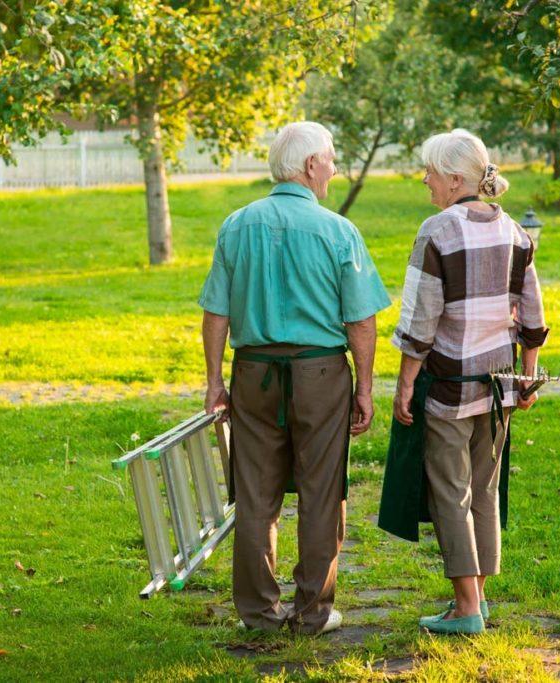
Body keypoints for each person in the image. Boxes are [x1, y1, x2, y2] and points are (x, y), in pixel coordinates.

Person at [199, 121, 391, 635]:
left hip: (253, 372)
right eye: (330, 158)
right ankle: (312, 614)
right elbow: (361, 321)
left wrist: (214, 381)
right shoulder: (338, 230)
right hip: (320, 373)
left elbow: (216, 312)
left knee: (255, 493)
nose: (333, 168)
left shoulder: (236, 224)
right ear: (311, 166)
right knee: (321, 490)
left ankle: (258, 615)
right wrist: (366, 389)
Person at [378, 128, 549, 635]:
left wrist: (405, 383)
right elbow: (533, 314)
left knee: (451, 492)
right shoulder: (515, 231)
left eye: (429, 171)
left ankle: (466, 608)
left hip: (450, 387)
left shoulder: (437, 230)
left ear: (455, 179)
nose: (424, 180)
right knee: (484, 489)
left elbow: (419, 320)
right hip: (498, 386)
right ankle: (480, 599)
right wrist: (528, 379)